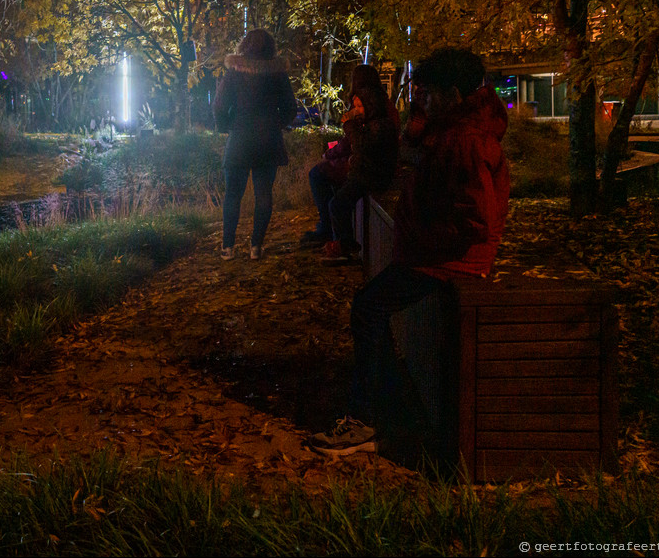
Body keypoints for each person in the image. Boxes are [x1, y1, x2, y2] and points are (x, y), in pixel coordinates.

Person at [306, 47, 509, 456]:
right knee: (370, 308)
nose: (420, 100)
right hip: (436, 254)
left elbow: (478, 220)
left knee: (368, 308)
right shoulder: (454, 129)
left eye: (428, 93)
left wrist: (422, 243)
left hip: (448, 260)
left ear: (452, 94)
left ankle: (366, 419)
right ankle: (379, 406)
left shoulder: (464, 140)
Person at [300, 64, 400, 265]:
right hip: (364, 166)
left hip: (370, 170)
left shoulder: (376, 116)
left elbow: (359, 143)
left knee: (323, 179)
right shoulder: (376, 110)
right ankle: (336, 235)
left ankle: (338, 238)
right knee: (333, 190)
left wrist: (339, 145)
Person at [212, 28, 298, 260]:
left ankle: (227, 248)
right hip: (268, 140)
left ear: (244, 45)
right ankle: (255, 247)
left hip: (240, 138)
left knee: (232, 194)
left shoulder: (234, 72)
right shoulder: (278, 73)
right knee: (263, 194)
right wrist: (275, 123)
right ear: (271, 47)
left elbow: (219, 106)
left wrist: (227, 126)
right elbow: (291, 108)